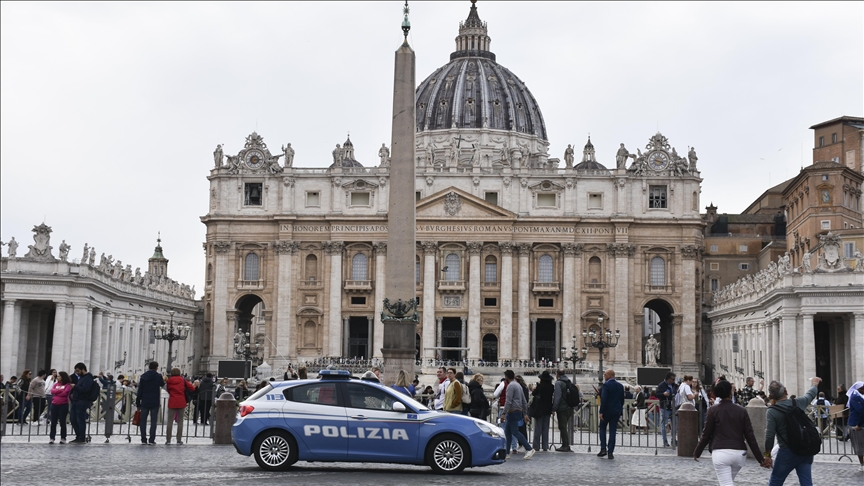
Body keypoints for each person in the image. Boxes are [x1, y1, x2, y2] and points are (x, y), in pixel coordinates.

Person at [694, 380, 770, 485]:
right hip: (739, 453)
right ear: (731, 392)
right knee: (727, 482)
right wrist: (760, 459)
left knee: (726, 483)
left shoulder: (713, 410)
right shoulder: (742, 411)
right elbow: (750, 436)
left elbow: (706, 434)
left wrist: (697, 452)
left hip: (720, 452)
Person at [764, 377, 821, 486]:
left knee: (776, 481)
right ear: (785, 391)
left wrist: (767, 455)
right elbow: (811, 394)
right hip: (805, 449)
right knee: (806, 482)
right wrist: (815, 383)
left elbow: (769, 436)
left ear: (771, 396)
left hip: (787, 452)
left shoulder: (772, 411)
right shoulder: (798, 402)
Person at [500, 370, 535, 460]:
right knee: (508, 432)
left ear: (506, 377)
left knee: (515, 432)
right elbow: (524, 401)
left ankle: (529, 448)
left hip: (512, 411)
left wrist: (503, 413)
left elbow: (508, 401)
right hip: (518, 410)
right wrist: (525, 414)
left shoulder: (510, 386)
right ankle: (507, 453)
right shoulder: (518, 385)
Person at [597, 369, 624, 460]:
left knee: (602, 429)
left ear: (609, 375)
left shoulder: (606, 385)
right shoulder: (620, 386)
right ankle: (610, 452)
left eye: (605, 375)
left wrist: (601, 412)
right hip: (616, 411)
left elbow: (604, 399)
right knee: (613, 431)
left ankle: (603, 449)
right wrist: (619, 409)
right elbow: (622, 400)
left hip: (606, 411)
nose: (604, 376)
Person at [136, 361, 164, 445]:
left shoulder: (143, 376)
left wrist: (138, 402)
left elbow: (140, 390)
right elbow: (162, 384)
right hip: (155, 400)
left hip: (145, 400)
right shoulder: (158, 376)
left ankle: (143, 439)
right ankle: (151, 439)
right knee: (153, 421)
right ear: (156, 368)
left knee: (143, 421)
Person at [165, 367, 194, 445]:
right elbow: (192, 388)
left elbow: (168, 390)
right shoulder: (183, 380)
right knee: (180, 421)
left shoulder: (169, 380)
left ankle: (168, 439)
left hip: (172, 401)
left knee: (170, 421)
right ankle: (179, 439)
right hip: (181, 401)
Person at [69, 363, 96, 443]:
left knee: (80, 420)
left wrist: (75, 387)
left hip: (82, 401)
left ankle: (81, 437)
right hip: (76, 400)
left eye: (78, 371)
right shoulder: (82, 378)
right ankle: (78, 436)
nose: (77, 373)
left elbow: (84, 389)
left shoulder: (88, 378)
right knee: (73, 419)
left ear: (83, 369)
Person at [531, 370, 554, 452]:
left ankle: (536, 445)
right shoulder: (551, 387)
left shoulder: (540, 386)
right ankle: (545, 446)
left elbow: (533, 394)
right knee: (545, 428)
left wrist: (534, 388)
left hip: (539, 408)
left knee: (538, 428)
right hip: (548, 409)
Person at [552, 369, 574, 452]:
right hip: (569, 407)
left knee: (562, 427)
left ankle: (565, 445)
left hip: (562, 408)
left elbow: (557, 397)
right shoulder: (568, 381)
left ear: (557, 374)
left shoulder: (558, 383)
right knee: (564, 426)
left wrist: (554, 408)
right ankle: (566, 444)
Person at [49, 372, 72, 444]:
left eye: (59, 376)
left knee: (62, 421)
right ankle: (52, 437)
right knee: (53, 422)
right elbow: (52, 391)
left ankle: (63, 437)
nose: (57, 377)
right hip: (54, 404)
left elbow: (65, 393)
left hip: (63, 404)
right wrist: (60, 391)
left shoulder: (67, 385)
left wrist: (57, 392)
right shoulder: (56, 384)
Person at [846, 381, 864, 472]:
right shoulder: (855, 397)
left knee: (859, 445)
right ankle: (862, 464)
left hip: (859, 423)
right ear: (859, 389)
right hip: (856, 424)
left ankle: (862, 464)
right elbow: (861, 411)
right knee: (859, 445)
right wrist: (859, 424)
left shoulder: (857, 397)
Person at [657, 372, 677, 446]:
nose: (674, 381)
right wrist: (663, 394)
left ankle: (673, 440)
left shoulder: (674, 385)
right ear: (668, 379)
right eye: (673, 379)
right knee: (664, 424)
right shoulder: (661, 385)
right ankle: (665, 441)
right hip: (665, 407)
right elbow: (657, 394)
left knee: (674, 424)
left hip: (673, 407)